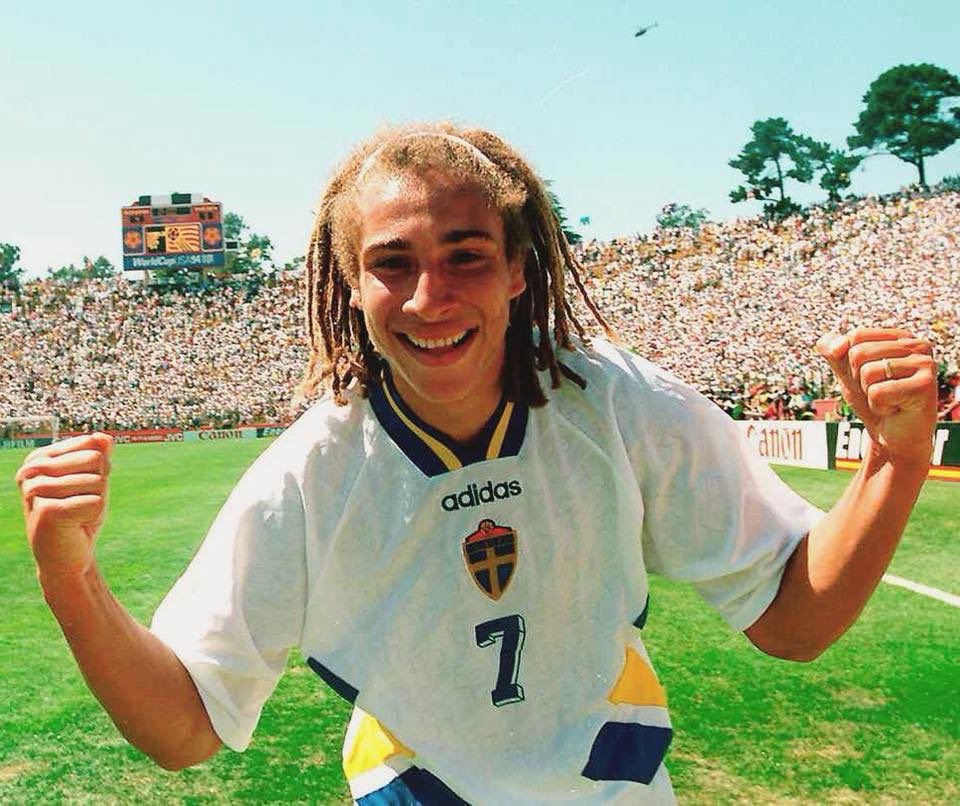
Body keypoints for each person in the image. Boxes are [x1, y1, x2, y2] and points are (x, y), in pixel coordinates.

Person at [16, 122, 938, 804]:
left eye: (465, 255)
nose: (430, 297)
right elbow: (184, 728)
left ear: (518, 270)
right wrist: (72, 582)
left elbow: (792, 622)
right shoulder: (310, 475)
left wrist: (893, 464)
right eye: (393, 263)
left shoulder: (619, 403)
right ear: (351, 286)